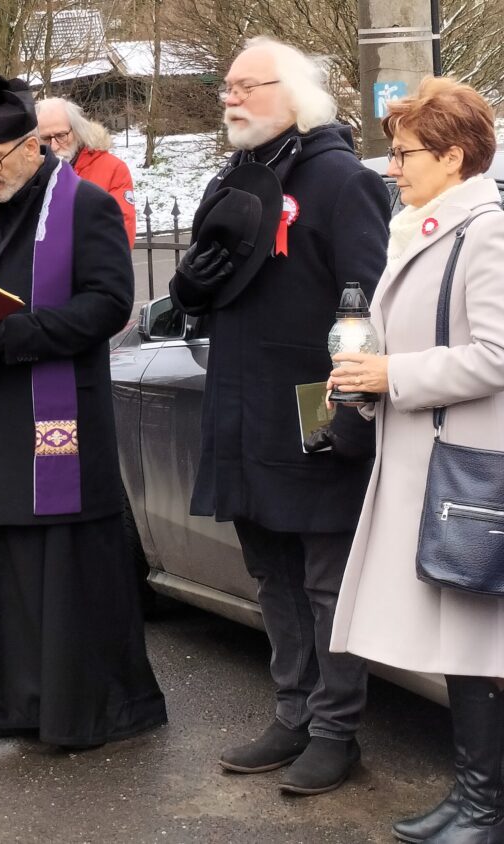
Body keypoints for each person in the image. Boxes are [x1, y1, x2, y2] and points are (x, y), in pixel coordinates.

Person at [169, 36, 390, 795]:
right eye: (225, 87)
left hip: (311, 405)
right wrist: (189, 284)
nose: (228, 97)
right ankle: (293, 711)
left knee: (325, 577)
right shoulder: (234, 178)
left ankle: (336, 730)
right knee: (271, 570)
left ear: (293, 93)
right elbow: (202, 290)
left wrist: (354, 407)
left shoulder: (341, 181)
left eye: (244, 86)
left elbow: (368, 301)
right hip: (238, 403)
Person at [0, 74, 166, 748]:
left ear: (34, 145)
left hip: (59, 418)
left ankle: (86, 709)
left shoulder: (84, 205)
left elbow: (107, 305)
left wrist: (14, 333)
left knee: (64, 567)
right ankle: (20, 702)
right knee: (8, 561)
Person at [329, 78, 504, 843]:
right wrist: (369, 380)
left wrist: (393, 376)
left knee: (476, 641)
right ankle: (473, 799)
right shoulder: (427, 227)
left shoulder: (486, 232)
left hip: (464, 471)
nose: (391, 167)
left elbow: (497, 356)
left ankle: (483, 806)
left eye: (404, 153)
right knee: (462, 644)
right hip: (427, 464)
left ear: (453, 156)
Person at [35, 97, 136, 246]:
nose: (54, 146)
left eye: (61, 136)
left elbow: (120, 233)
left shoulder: (113, 169)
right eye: (45, 139)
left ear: (76, 131)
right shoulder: (31, 173)